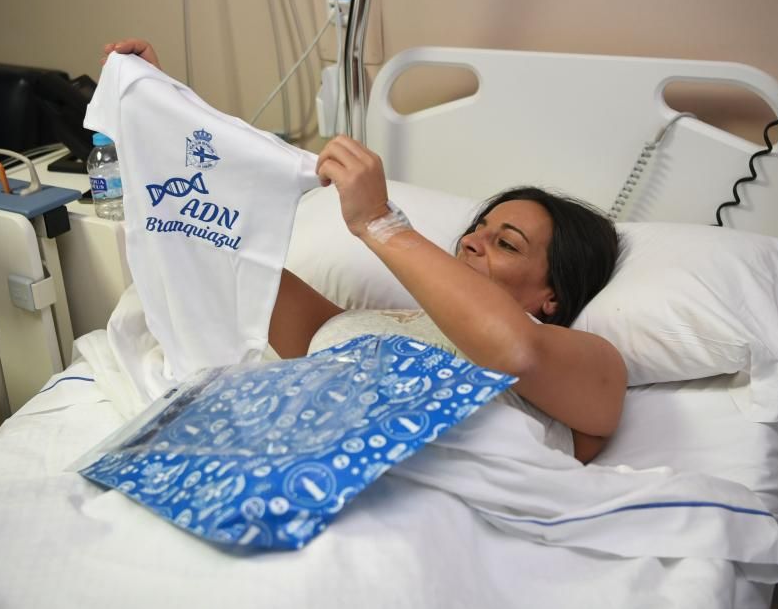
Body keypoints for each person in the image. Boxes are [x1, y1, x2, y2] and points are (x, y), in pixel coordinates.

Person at [102, 39, 627, 463]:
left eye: (506, 244)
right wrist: (165, 109)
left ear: (553, 297)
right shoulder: (362, 322)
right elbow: (221, 258)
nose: (472, 241)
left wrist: (380, 222)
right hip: (279, 468)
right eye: (477, 229)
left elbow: (514, 352)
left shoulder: (587, 362)